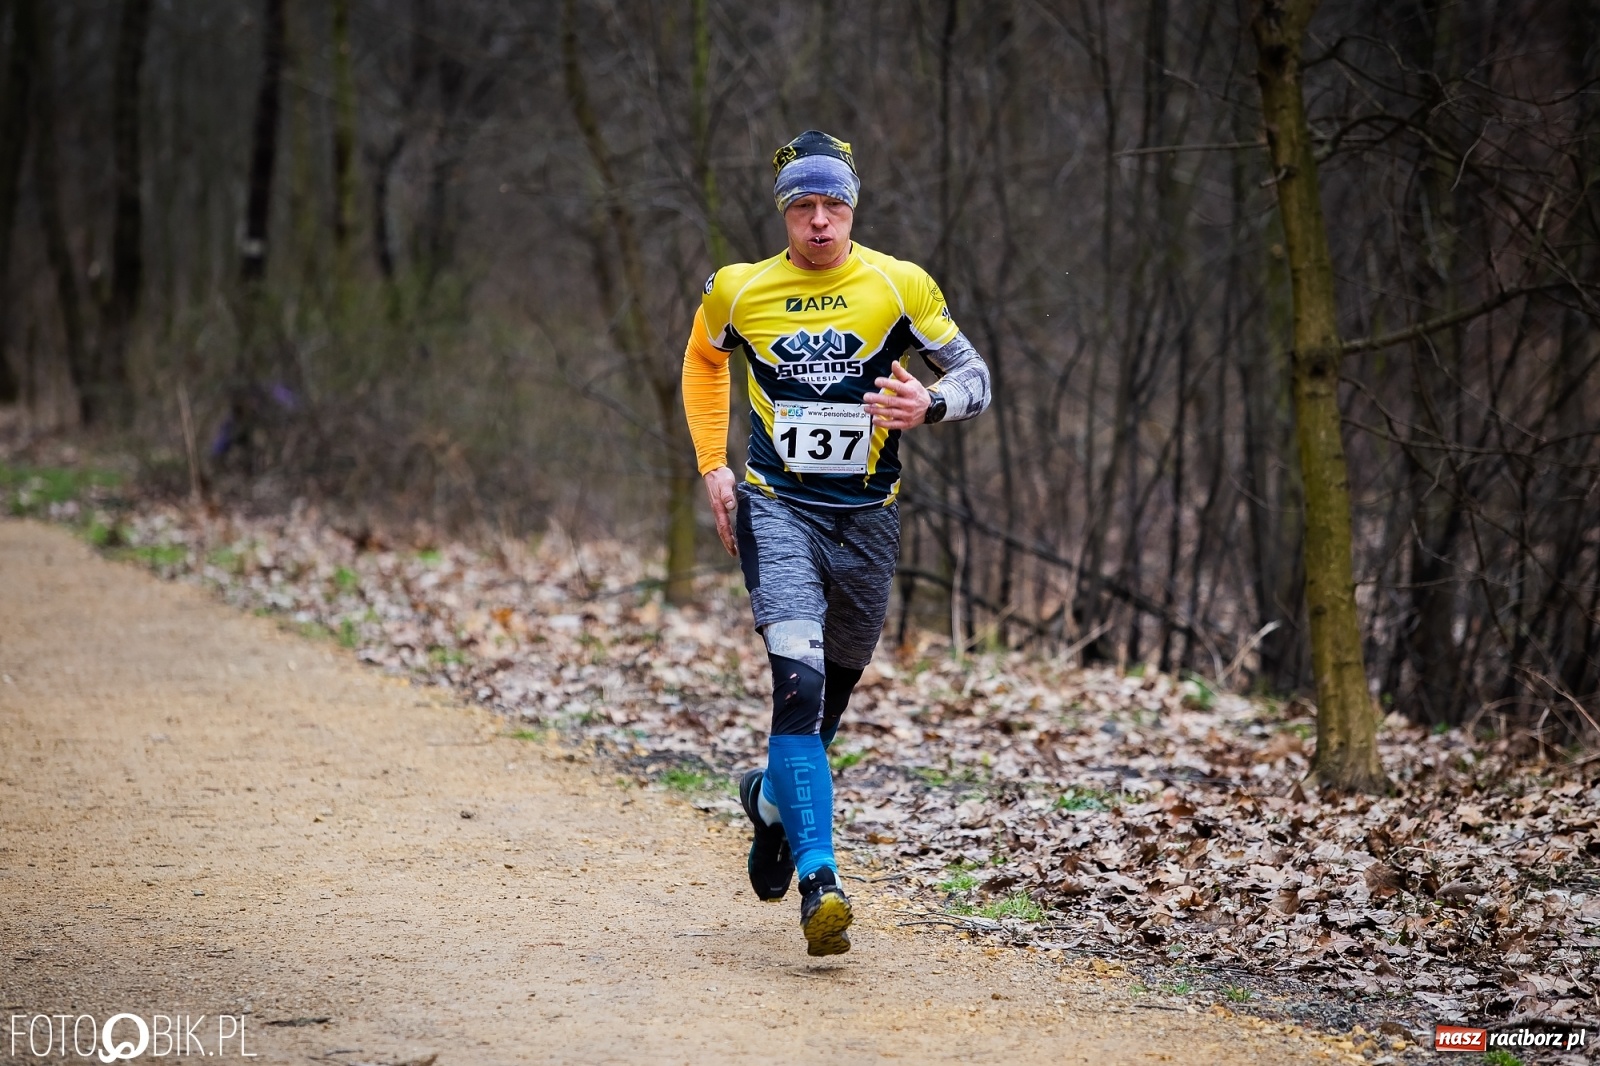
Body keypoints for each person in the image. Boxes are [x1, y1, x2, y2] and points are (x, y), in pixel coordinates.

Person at [680, 130, 991, 956]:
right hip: (776, 507)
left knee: (833, 697)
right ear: (785, 212)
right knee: (796, 685)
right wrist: (713, 463)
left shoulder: (898, 285)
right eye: (803, 207)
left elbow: (975, 376)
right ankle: (822, 880)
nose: (820, 222)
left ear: (853, 209)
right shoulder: (739, 290)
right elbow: (703, 362)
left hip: (867, 518)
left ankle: (773, 806)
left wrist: (930, 406)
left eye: (834, 206)